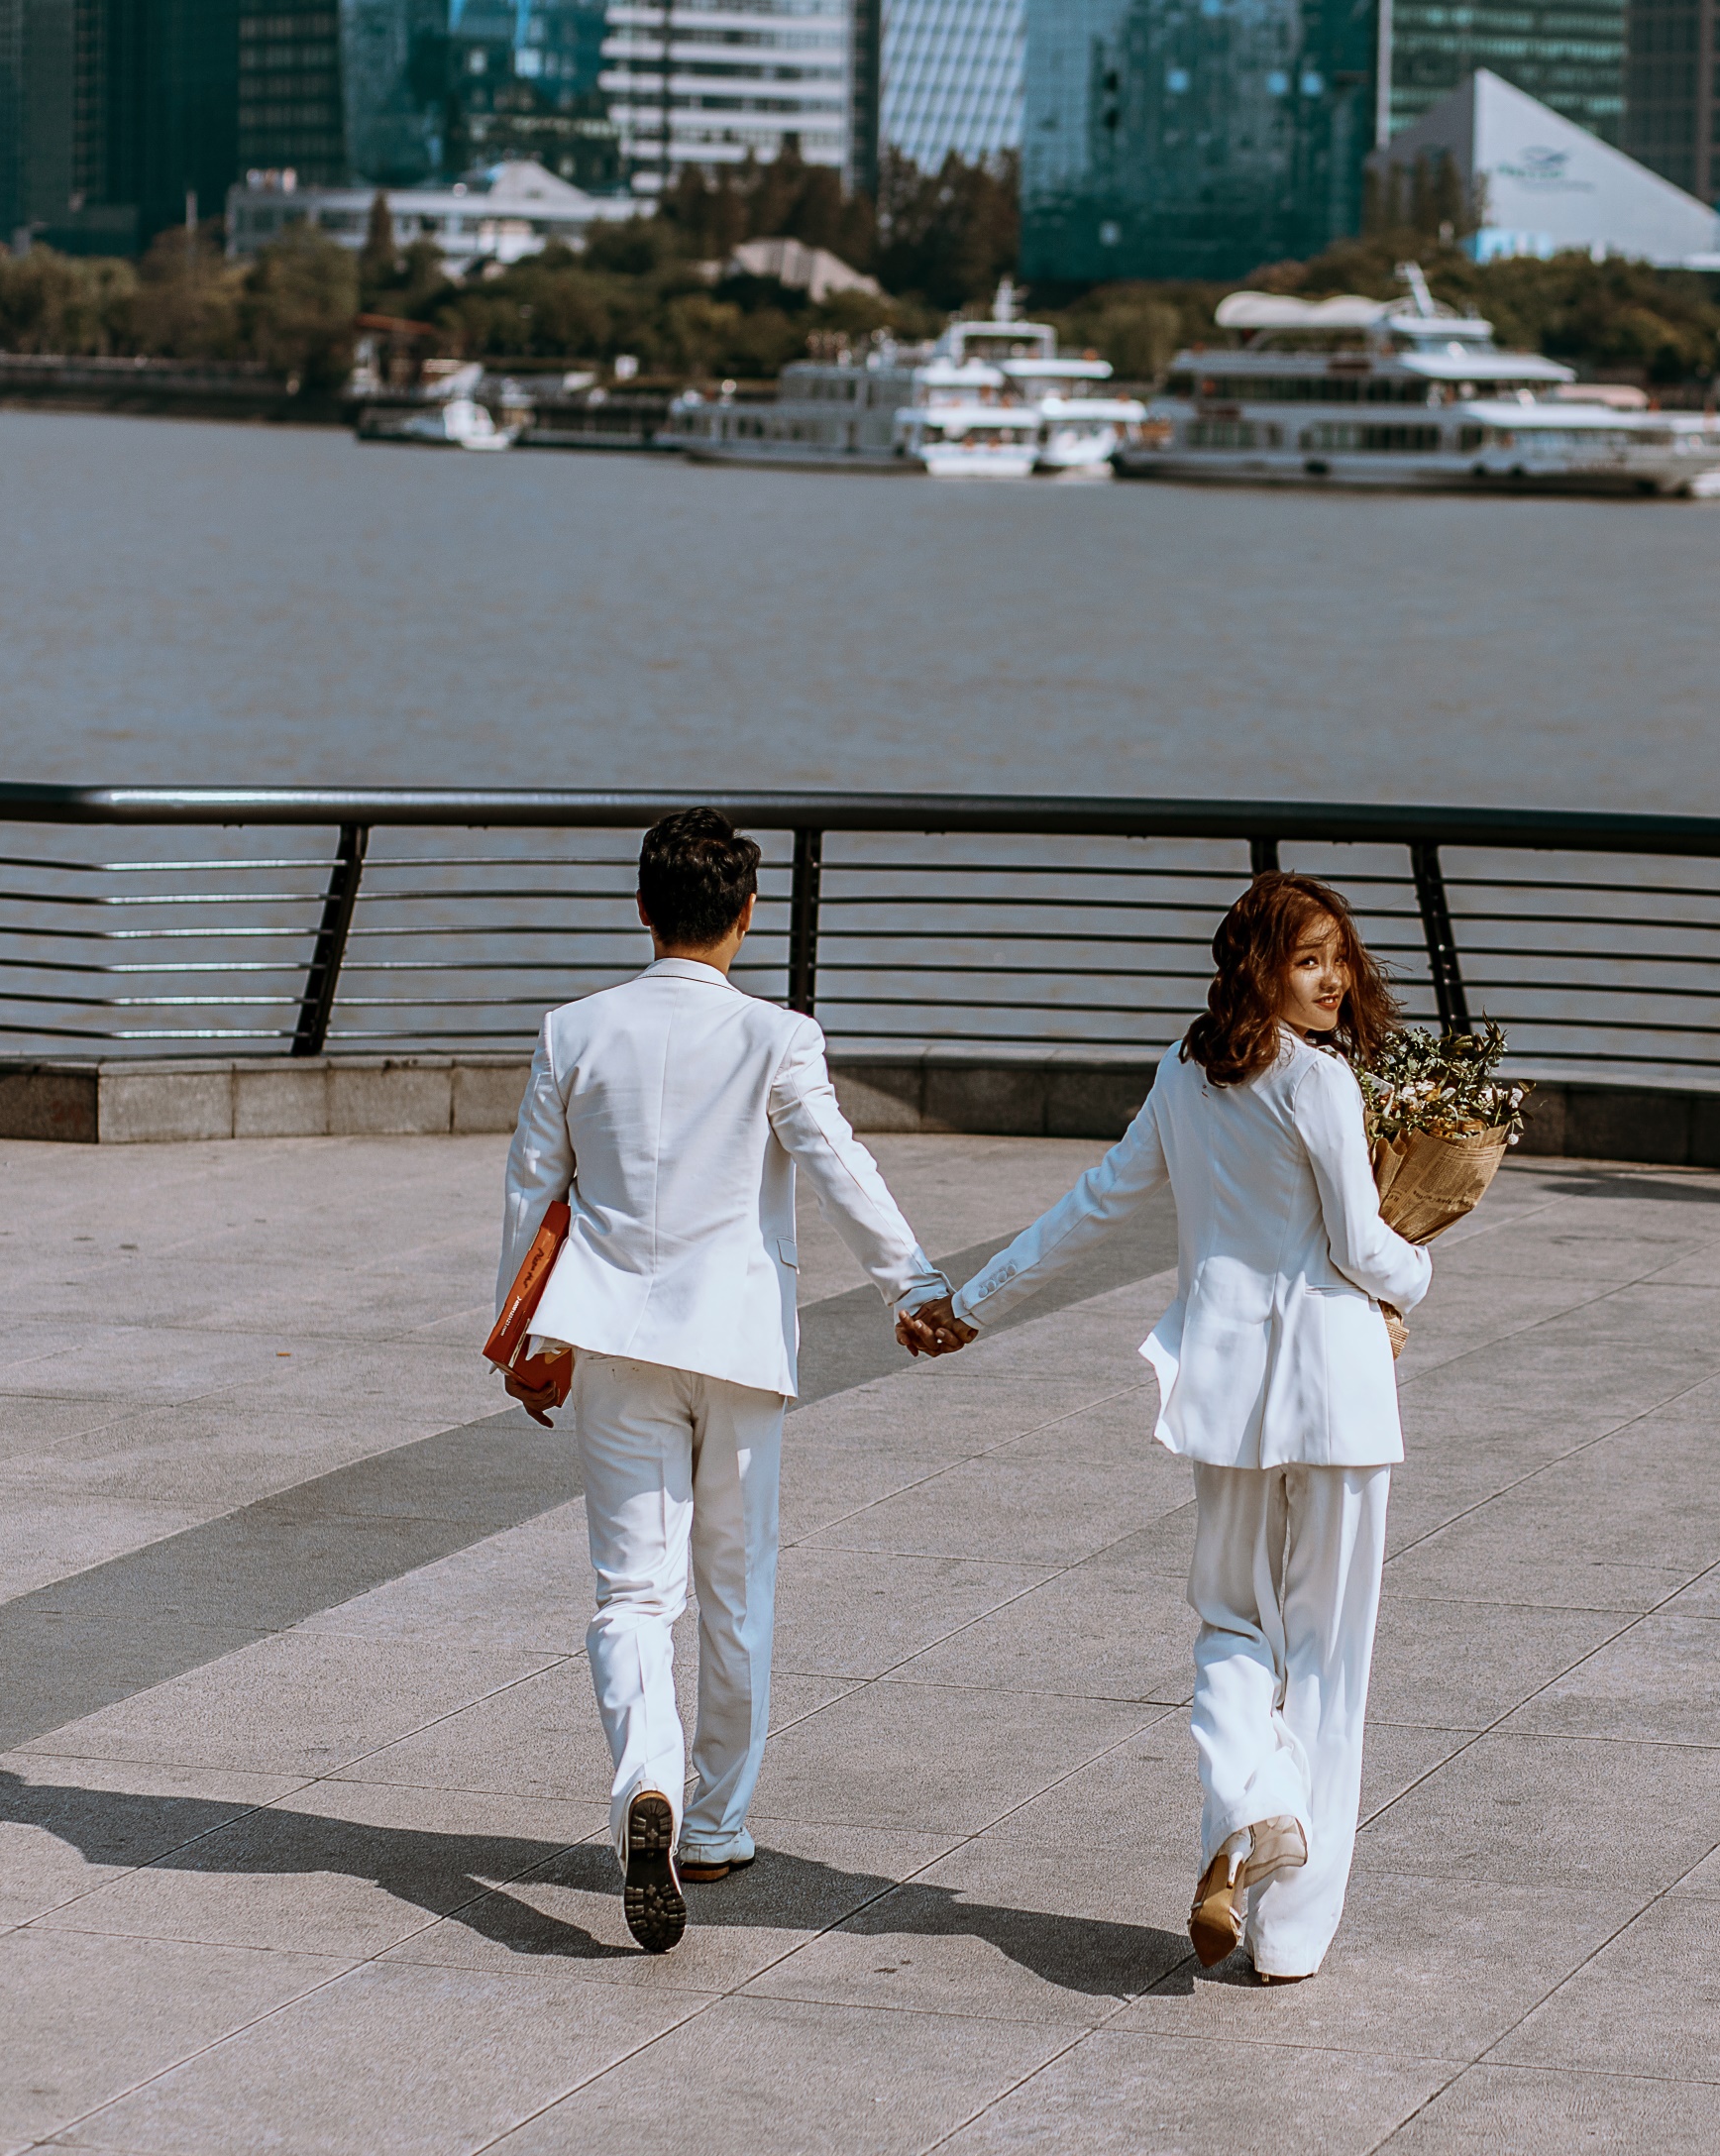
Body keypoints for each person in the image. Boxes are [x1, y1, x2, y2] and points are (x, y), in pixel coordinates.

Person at [498, 808, 968, 1954]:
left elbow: (530, 1189)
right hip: (742, 1345)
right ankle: (710, 1825)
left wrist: (525, 1343)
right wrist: (912, 1283)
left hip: (615, 1342)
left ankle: (645, 1782)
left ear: (642, 907)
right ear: (746, 916)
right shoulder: (777, 1036)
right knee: (735, 1588)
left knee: (632, 1593)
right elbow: (838, 1163)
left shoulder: (573, 1030)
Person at [946, 872, 1431, 1984]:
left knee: (1228, 1621)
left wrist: (976, 1299)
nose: (1334, 979)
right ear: (1262, 967)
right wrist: (1419, 1274)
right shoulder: (1319, 1083)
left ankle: (1254, 1805)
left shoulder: (1182, 1069)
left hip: (1228, 1394)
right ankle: (1289, 1936)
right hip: (1337, 1390)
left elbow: (1097, 1200)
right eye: (1309, 959)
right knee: (1329, 1658)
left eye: (1339, 958)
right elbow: (1359, 1245)